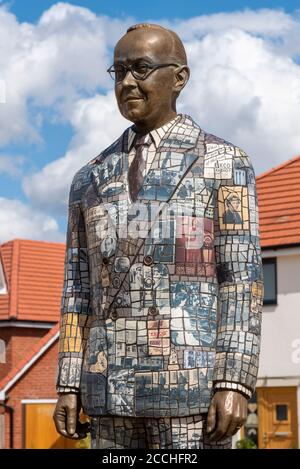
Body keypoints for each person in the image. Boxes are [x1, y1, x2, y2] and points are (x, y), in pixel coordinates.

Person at [53, 23, 263, 449]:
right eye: (119, 71)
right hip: (108, 391)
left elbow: (241, 281)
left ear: (179, 78)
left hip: (191, 392)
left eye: (142, 68)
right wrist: (69, 382)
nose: (128, 81)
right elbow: (77, 290)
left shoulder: (223, 163)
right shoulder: (88, 178)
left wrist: (234, 381)